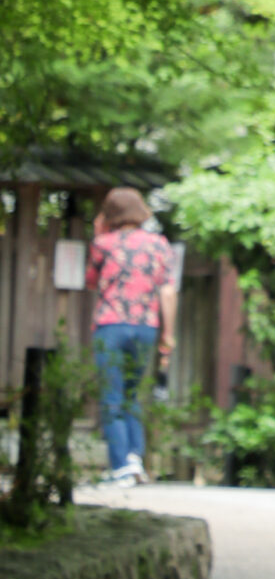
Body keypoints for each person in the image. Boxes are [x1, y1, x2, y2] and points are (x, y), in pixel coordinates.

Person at [85, 189, 178, 486]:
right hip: (145, 327)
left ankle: (120, 467)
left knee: (111, 396)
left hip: (111, 325)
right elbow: (167, 291)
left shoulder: (103, 244)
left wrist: (98, 232)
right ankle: (134, 459)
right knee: (131, 393)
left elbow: (90, 282)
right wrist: (168, 333)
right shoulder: (159, 245)